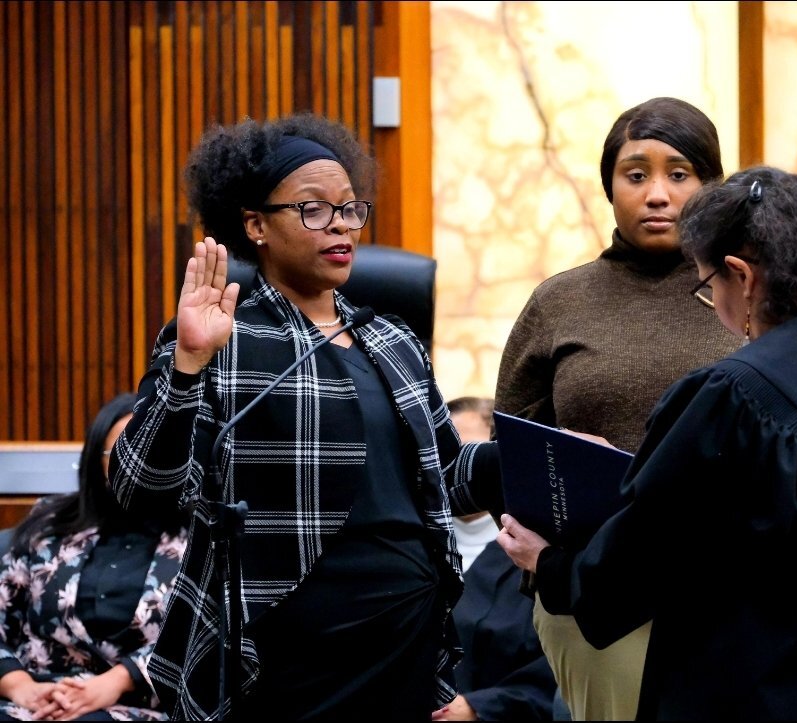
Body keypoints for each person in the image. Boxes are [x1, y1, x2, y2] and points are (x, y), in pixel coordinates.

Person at [496, 165, 797, 720]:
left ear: (743, 277)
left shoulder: (735, 398)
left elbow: (639, 567)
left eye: (709, 289)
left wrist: (552, 563)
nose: (718, 309)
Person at [108, 113, 502, 721]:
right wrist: (187, 363)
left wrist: (533, 452)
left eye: (349, 208)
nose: (340, 225)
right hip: (286, 646)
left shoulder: (393, 339)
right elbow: (141, 488)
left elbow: (448, 477)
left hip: (404, 630)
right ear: (256, 224)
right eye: (313, 209)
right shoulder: (223, 337)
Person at [0, 393, 188, 722]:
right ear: (95, 459)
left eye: (154, 451)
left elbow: (209, 635)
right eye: (122, 451)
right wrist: (20, 685)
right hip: (34, 701)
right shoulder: (49, 524)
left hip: (138, 707)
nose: (137, 465)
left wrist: (117, 681)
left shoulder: (201, 536)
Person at [434, 396, 556, 722]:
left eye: (468, 452)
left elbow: (555, 668)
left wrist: (480, 707)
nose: (453, 467)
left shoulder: (532, 552)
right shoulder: (417, 543)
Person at [447, 397, 500, 572]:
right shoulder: (416, 545)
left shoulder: (529, 548)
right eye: (445, 453)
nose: (457, 464)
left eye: (470, 451)